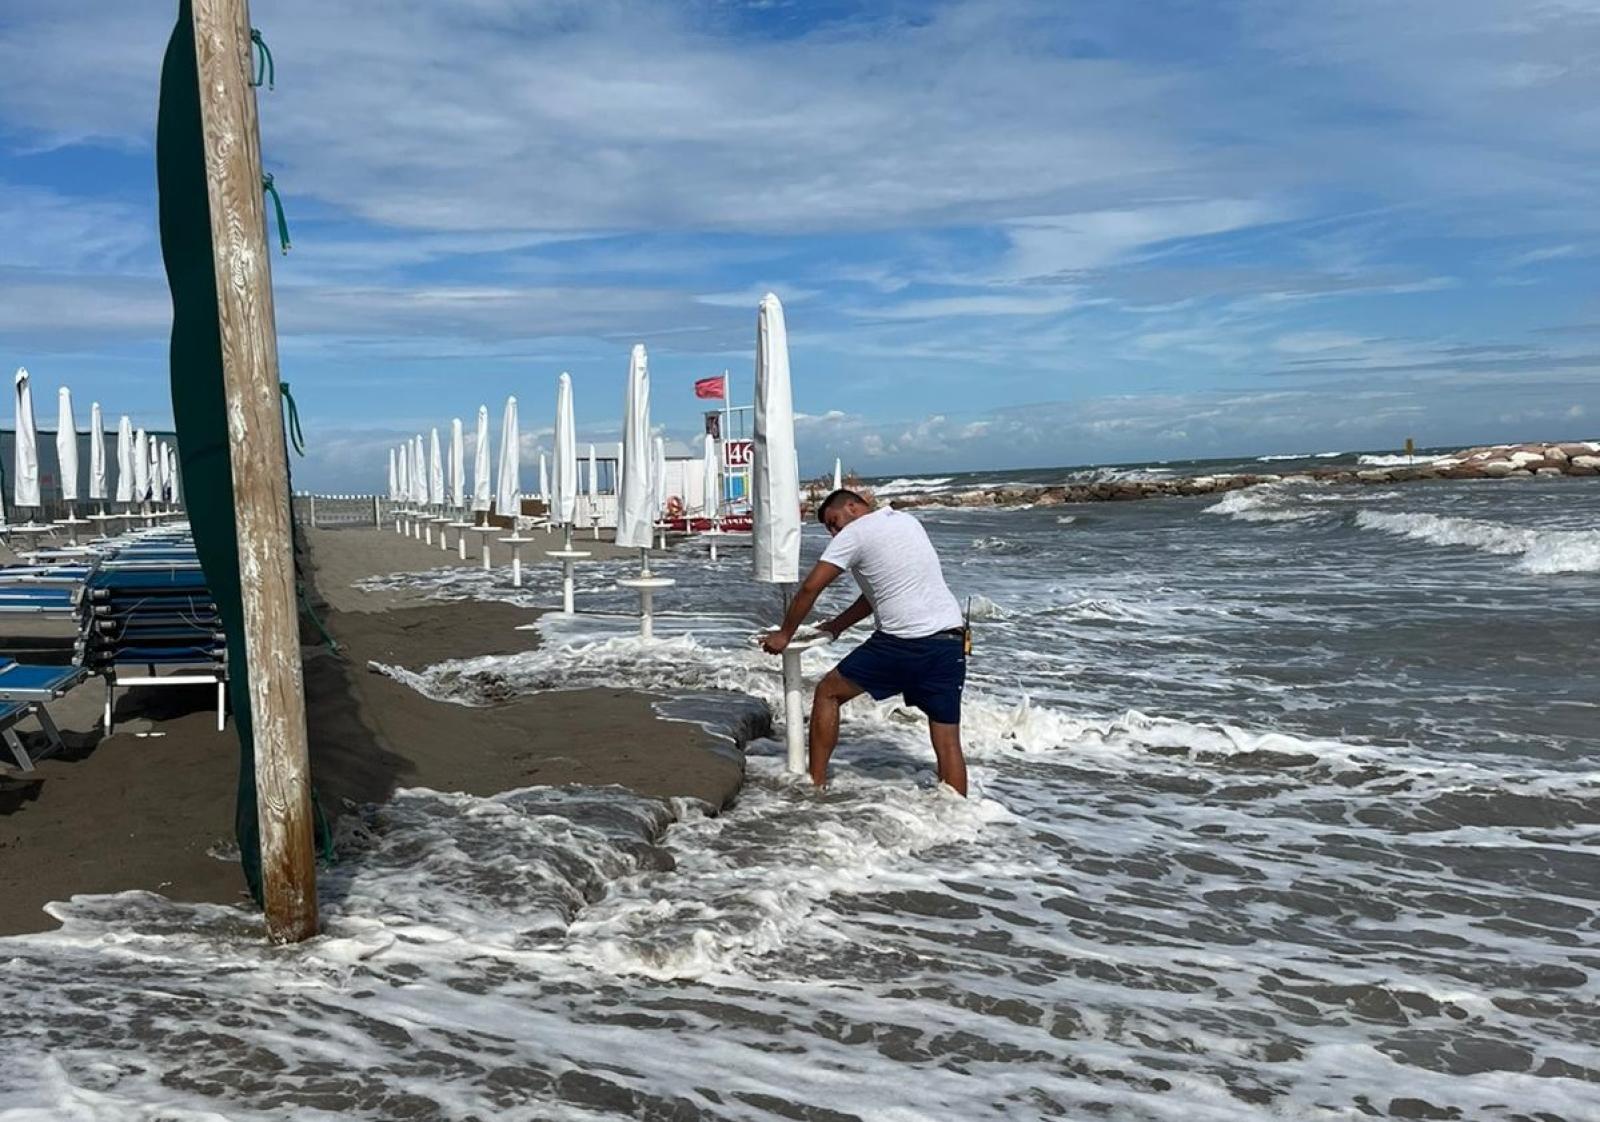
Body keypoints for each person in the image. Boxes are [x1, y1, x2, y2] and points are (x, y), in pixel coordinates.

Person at [761, 489, 969, 795]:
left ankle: (815, 787)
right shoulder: (907, 522)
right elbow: (878, 593)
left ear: (854, 507)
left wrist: (784, 635)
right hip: (951, 640)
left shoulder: (856, 531)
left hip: (904, 642)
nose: (834, 533)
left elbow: (810, 588)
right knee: (948, 738)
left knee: (828, 692)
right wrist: (836, 626)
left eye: (833, 523)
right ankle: (961, 819)